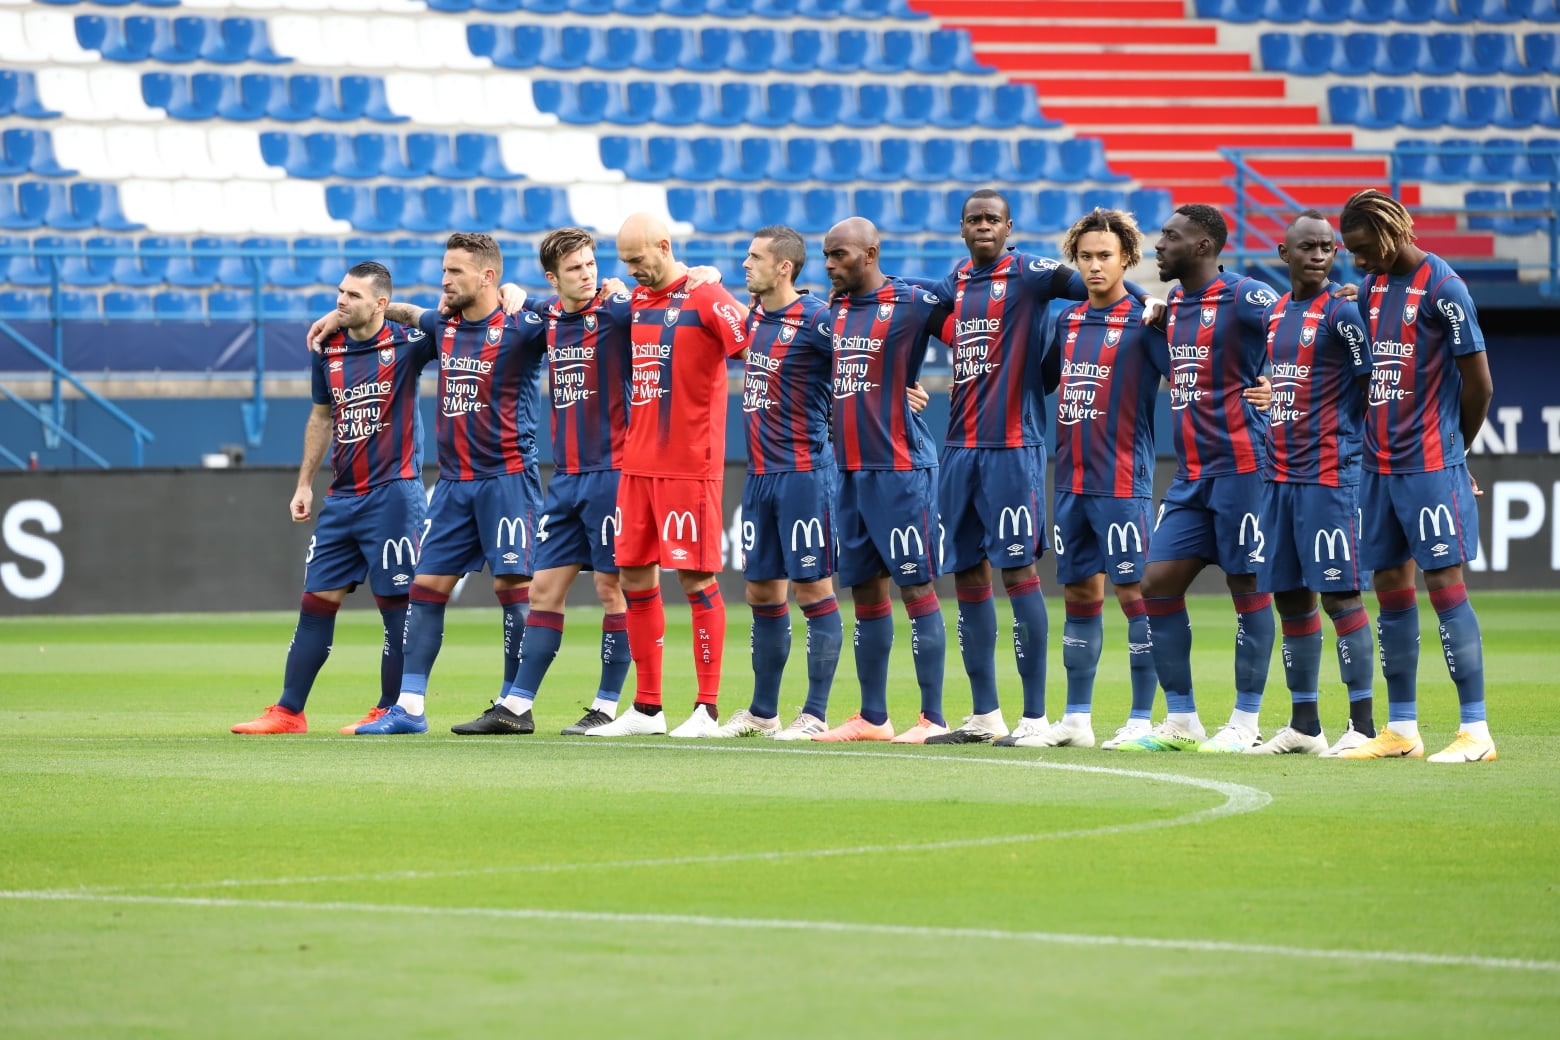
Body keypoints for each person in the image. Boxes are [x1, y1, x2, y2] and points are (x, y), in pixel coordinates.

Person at [921, 189, 1162, 747]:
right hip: (959, 447)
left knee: (1022, 574)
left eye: (993, 219)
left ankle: (1036, 717)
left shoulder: (1035, 273)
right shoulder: (954, 280)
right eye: (974, 219)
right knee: (968, 574)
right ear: (961, 228)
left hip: (1015, 448)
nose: (984, 226)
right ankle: (986, 715)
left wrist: (1150, 300)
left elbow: (1102, 288)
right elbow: (905, 308)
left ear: (1010, 226)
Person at [306, 233, 549, 735]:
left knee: (513, 587)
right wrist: (345, 314)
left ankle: (513, 706)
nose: (444, 279)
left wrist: (528, 292)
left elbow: (578, 313)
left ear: (487, 277)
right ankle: (409, 708)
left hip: (506, 477)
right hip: (454, 483)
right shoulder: (444, 326)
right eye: (444, 270)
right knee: (424, 588)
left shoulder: (525, 326)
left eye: (455, 271)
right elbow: (408, 313)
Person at [233, 261, 435, 735]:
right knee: (315, 600)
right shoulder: (328, 348)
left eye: (353, 296)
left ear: (381, 304)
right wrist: (305, 483)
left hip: (395, 494)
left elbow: (447, 320)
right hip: (343, 498)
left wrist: (402, 312)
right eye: (339, 293)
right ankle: (288, 710)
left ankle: (392, 708)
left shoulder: (408, 344)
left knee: (397, 606)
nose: (341, 301)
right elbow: (322, 417)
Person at [1335, 189, 1496, 762]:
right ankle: (1402, 731)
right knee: (1389, 590)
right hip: (1378, 467)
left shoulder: (1445, 289)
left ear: (1389, 234)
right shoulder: (1373, 287)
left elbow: (1479, 385)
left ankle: (1475, 732)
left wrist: (1456, 451)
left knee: (1444, 588)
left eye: (1362, 249)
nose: (1357, 261)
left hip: (1430, 465)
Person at [1118, 204, 1280, 753]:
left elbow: (1304, 331)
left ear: (1204, 246)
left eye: (1170, 236)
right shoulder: (1176, 305)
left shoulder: (1246, 295)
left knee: (1249, 588)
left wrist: (1279, 384)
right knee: (1155, 584)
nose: (1157, 245)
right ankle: (1183, 718)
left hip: (1244, 469)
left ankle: (1245, 722)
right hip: (1191, 476)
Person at [586, 213, 751, 738]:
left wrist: (720, 283)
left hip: (690, 467)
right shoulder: (634, 302)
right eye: (626, 263)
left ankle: (705, 708)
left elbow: (758, 343)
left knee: (697, 579)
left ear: (663, 245)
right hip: (637, 466)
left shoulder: (707, 296)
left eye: (639, 259)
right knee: (632, 575)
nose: (632, 270)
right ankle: (648, 709)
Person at [1028, 209, 1170, 750]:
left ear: (1127, 259)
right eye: (1085, 256)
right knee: (1079, 595)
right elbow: (1034, 381)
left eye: (1105, 256)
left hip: (1122, 483)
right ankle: (1078, 720)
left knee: (1135, 596)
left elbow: (1190, 370)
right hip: (1070, 484)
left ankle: (1138, 719)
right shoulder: (1064, 323)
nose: (1093, 266)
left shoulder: (1148, 321)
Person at [812, 217, 954, 744]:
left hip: (899, 470)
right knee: (867, 593)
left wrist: (950, 386)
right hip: (848, 470)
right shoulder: (837, 307)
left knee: (916, 589)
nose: (830, 264)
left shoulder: (915, 303)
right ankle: (873, 717)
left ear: (870, 254)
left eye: (840, 255)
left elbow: (978, 336)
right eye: (826, 255)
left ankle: (933, 718)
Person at [488, 227, 635, 736]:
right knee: (544, 588)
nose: (587, 273)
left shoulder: (618, 312)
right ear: (553, 278)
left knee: (612, 588)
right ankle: (519, 707)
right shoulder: (546, 317)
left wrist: (706, 276)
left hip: (615, 475)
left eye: (591, 263)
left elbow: (672, 307)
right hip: (566, 478)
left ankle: (609, 707)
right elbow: (471, 316)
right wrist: (509, 294)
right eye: (575, 268)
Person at [1246, 211, 1379, 757]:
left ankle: (1364, 727)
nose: (1320, 254)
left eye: (1327, 247)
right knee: (1291, 599)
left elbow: (1371, 384)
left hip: (1328, 477)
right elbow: (1291, 382)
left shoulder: (1343, 314)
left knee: (1341, 598)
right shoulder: (1276, 315)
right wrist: (1272, 394)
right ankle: (1305, 725)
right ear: (1284, 253)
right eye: (1308, 247)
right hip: (1278, 478)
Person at [709, 226, 845, 741]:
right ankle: (763, 712)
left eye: (754, 257)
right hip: (760, 476)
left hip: (805, 474)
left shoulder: (816, 320)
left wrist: (904, 390)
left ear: (784, 267)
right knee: (761, 590)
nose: (745, 265)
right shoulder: (753, 320)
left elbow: (861, 364)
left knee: (812, 588)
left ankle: (814, 714)